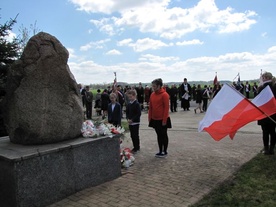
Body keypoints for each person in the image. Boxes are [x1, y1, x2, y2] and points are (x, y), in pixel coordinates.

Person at [148, 78, 171, 158]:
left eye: (154, 86)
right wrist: (150, 118)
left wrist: (164, 120)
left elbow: (166, 108)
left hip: (163, 119)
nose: (153, 88)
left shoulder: (165, 95)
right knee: (158, 135)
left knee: (163, 135)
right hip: (155, 119)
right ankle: (160, 150)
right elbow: (150, 107)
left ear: (159, 86)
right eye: (152, 86)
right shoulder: (152, 95)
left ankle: (165, 151)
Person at [257, 72, 276, 155]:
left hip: (264, 113)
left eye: (263, 77)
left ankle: (266, 149)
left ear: (266, 78)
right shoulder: (274, 87)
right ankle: (272, 149)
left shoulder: (261, 88)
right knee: (273, 132)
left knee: (265, 132)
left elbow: (258, 100)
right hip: (274, 113)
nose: (262, 79)